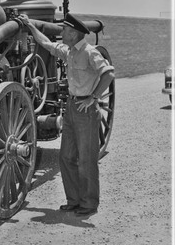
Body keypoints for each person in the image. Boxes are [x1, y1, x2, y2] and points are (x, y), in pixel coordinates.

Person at [19, 12, 115, 216]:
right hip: (71, 108)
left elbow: (108, 74)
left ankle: (88, 203)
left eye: (64, 30)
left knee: (87, 160)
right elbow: (45, 43)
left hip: (85, 109)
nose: (61, 32)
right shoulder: (69, 51)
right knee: (66, 157)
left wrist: (94, 98)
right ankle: (73, 200)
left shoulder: (89, 53)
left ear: (73, 33)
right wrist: (30, 25)